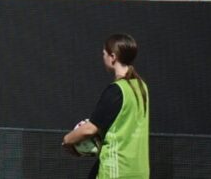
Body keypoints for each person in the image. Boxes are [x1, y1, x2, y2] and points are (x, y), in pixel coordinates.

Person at [63, 33, 151, 179]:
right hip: (139, 171)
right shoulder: (142, 87)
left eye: (104, 53)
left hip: (116, 171)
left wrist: (67, 140)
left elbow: (90, 129)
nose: (103, 57)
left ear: (113, 57)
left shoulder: (117, 90)